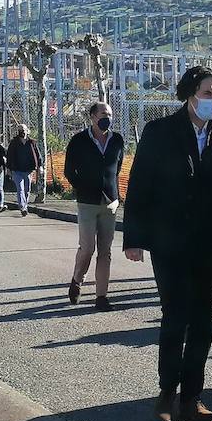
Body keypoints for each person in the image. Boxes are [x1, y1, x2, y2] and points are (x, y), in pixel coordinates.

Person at [123, 65, 212, 421]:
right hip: (169, 243)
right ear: (190, 94)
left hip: (207, 244)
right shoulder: (160, 132)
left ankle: (192, 398)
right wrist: (134, 237)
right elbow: (139, 185)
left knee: (202, 323)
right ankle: (167, 392)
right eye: (208, 93)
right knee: (175, 318)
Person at [65, 101, 125, 311]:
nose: (107, 118)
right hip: (87, 202)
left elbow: (117, 167)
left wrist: (112, 191)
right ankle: (77, 280)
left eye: (109, 114)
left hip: (110, 202)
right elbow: (69, 171)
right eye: (103, 114)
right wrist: (83, 187)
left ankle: (101, 296)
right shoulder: (79, 140)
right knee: (88, 247)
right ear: (92, 117)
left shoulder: (117, 140)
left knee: (105, 251)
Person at [6, 123, 41, 216]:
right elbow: (9, 156)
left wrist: (40, 166)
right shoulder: (14, 142)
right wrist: (8, 168)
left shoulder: (32, 142)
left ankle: (25, 205)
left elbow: (38, 155)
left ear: (27, 131)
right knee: (20, 189)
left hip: (28, 170)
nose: (22, 132)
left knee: (27, 190)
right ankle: (23, 207)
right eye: (20, 130)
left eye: (23, 130)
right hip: (17, 170)